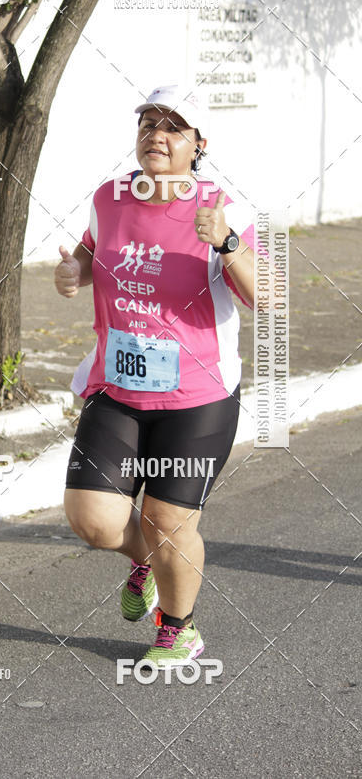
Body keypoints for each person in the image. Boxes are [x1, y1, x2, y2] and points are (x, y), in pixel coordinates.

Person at [54, 84, 256, 670]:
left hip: (197, 398)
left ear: (199, 144)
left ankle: (178, 628)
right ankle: (148, 563)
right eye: (148, 123)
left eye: (173, 127)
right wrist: (74, 272)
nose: (157, 136)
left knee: (167, 521)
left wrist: (226, 243)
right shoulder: (109, 197)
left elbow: (265, 296)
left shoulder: (225, 208)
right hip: (118, 388)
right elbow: (93, 255)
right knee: (94, 521)